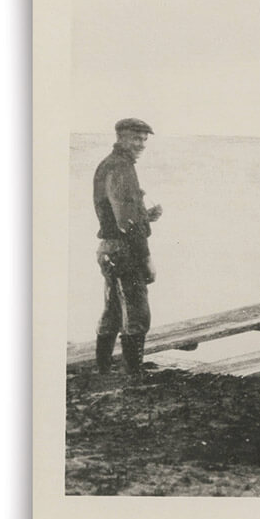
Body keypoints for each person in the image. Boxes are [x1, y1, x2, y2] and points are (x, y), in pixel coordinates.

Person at [93, 118, 163, 375]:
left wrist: (147, 215)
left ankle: (103, 367)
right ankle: (134, 372)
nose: (141, 144)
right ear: (120, 137)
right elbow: (127, 223)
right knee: (137, 313)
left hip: (109, 248)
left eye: (144, 139)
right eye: (135, 138)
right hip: (124, 251)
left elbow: (120, 212)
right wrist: (146, 259)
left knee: (113, 309)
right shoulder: (121, 168)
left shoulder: (111, 165)